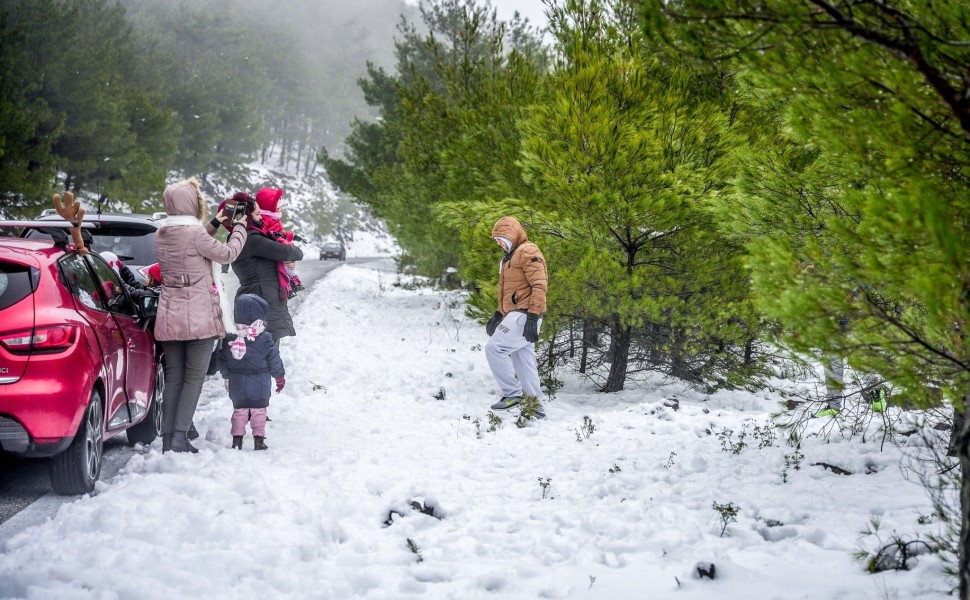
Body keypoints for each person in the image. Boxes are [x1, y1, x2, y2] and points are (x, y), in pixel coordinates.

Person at [154, 177, 248, 453]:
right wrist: (240, 227)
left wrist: (217, 223)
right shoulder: (195, 235)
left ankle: (168, 437)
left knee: (174, 377)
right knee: (193, 379)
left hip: (169, 317)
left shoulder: (162, 234)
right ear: (192, 204)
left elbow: (193, 242)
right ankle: (180, 437)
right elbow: (228, 254)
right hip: (198, 318)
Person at [484, 216, 548, 418]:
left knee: (494, 348)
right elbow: (509, 290)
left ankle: (512, 394)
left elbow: (539, 285)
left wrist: (533, 316)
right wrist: (498, 314)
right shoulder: (509, 258)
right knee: (524, 361)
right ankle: (535, 408)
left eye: (502, 238)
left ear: (512, 235)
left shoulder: (528, 251)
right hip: (516, 313)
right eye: (497, 240)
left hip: (525, 314)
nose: (499, 243)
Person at [228, 191, 304, 344]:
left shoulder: (240, 236)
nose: (261, 217)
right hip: (261, 301)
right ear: (247, 217)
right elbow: (292, 252)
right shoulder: (253, 239)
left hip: (257, 298)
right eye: (257, 214)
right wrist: (289, 255)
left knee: (260, 352)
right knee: (265, 353)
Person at [219, 293, 285, 451]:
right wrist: (280, 378)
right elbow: (274, 361)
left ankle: (237, 440)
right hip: (260, 384)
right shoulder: (265, 339)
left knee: (239, 411)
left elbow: (222, 359)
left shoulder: (230, 338)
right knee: (259, 412)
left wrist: (226, 375)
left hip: (237, 385)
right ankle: (259, 440)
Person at [254, 187, 305, 299]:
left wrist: (293, 236)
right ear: (270, 206)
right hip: (276, 246)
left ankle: (292, 284)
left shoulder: (274, 218)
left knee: (286, 266)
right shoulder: (265, 218)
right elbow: (266, 232)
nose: (281, 208)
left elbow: (281, 232)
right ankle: (289, 287)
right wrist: (276, 237)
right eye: (279, 206)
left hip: (280, 244)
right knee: (282, 268)